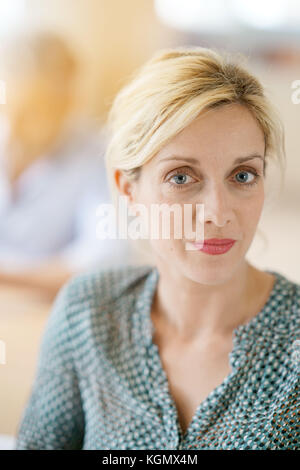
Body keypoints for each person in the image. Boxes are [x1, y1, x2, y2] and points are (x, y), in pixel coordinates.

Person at [15, 47, 299, 449]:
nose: (217, 213)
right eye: (182, 177)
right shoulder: (88, 314)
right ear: (127, 188)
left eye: (242, 174)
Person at [0, 31, 133, 299]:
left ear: (70, 100)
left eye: (45, 106)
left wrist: (8, 275)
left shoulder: (98, 155)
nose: (29, 121)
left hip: (50, 310)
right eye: (21, 107)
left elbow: (103, 258)